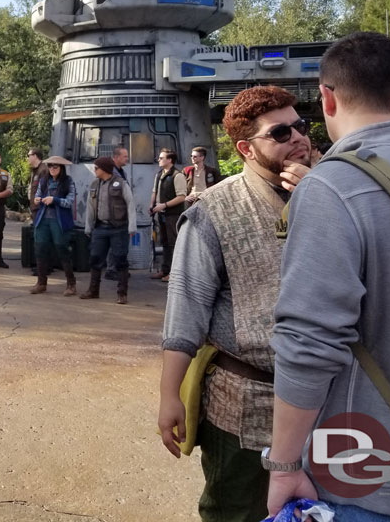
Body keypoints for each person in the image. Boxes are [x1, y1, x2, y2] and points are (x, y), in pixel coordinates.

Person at [267, 33, 390, 520]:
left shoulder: (333, 187)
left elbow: (309, 340)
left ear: (327, 98)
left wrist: (284, 464)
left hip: (369, 471)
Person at [157, 86, 310, 522]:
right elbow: (186, 306)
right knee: (236, 512)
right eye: (280, 132)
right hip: (246, 405)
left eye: (301, 126)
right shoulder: (212, 212)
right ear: (245, 148)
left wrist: (323, 196)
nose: (298, 137)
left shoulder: (333, 192)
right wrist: (169, 395)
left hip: (330, 402)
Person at [81, 156, 136, 304]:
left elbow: (130, 204)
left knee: (120, 260)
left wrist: (132, 226)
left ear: (104, 169)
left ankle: (122, 293)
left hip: (119, 228)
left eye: (97, 168)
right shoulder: (94, 184)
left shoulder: (121, 184)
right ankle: (93, 290)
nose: (95, 170)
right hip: (100, 228)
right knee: (95, 259)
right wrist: (88, 226)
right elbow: (90, 207)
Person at [28, 155, 76, 295]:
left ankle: (71, 284)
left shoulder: (68, 182)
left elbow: (70, 201)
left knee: (63, 250)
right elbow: (37, 195)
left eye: (55, 166)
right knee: (40, 249)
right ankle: (41, 283)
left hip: (59, 221)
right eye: (50, 166)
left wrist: (55, 200)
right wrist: (38, 200)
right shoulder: (43, 181)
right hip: (43, 219)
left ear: (61, 168)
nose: (52, 169)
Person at [149, 148, 187, 281]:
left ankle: (175, 273)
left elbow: (182, 196)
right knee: (164, 242)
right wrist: (152, 205)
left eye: (161, 158)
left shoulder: (178, 175)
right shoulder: (159, 174)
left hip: (173, 215)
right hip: (161, 214)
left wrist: (164, 205)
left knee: (174, 243)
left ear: (169, 160)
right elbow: (155, 191)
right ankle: (165, 270)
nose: (159, 160)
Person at [25, 148, 47, 276]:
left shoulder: (43, 170)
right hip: (35, 208)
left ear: (35, 156)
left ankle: (44, 267)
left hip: (41, 209)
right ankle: (42, 266)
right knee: (39, 238)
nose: (27, 158)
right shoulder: (35, 170)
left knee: (42, 238)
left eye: (29, 155)